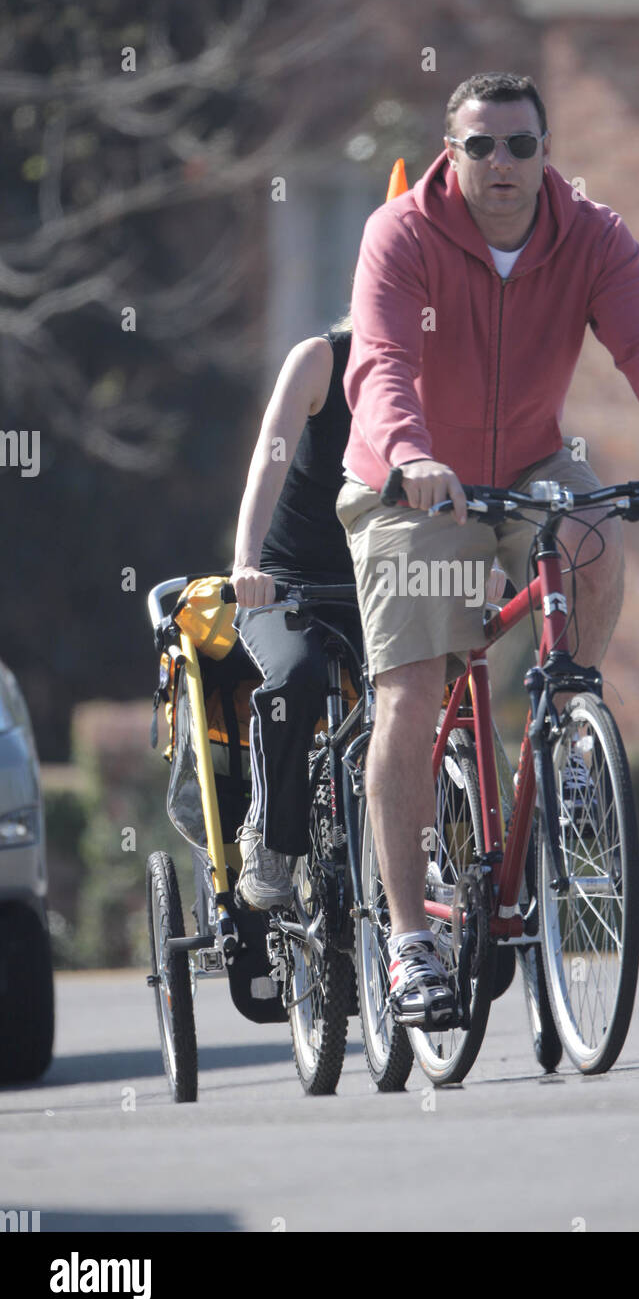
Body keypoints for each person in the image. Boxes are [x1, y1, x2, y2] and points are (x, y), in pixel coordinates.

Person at [336, 71, 639, 1028]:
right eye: (481, 146)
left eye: (520, 144)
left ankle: (572, 720)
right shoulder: (402, 234)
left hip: (533, 462)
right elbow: (379, 363)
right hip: (410, 476)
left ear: (547, 152)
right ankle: (409, 941)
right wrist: (414, 455)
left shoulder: (593, 236)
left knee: (591, 528)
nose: (501, 163)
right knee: (413, 690)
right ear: (449, 151)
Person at [230, 316, 363, 910]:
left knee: (419, 694)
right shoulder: (320, 360)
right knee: (296, 678)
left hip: (379, 583)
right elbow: (270, 457)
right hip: (289, 584)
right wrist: (246, 563)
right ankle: (270, 838)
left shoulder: (430, 373)